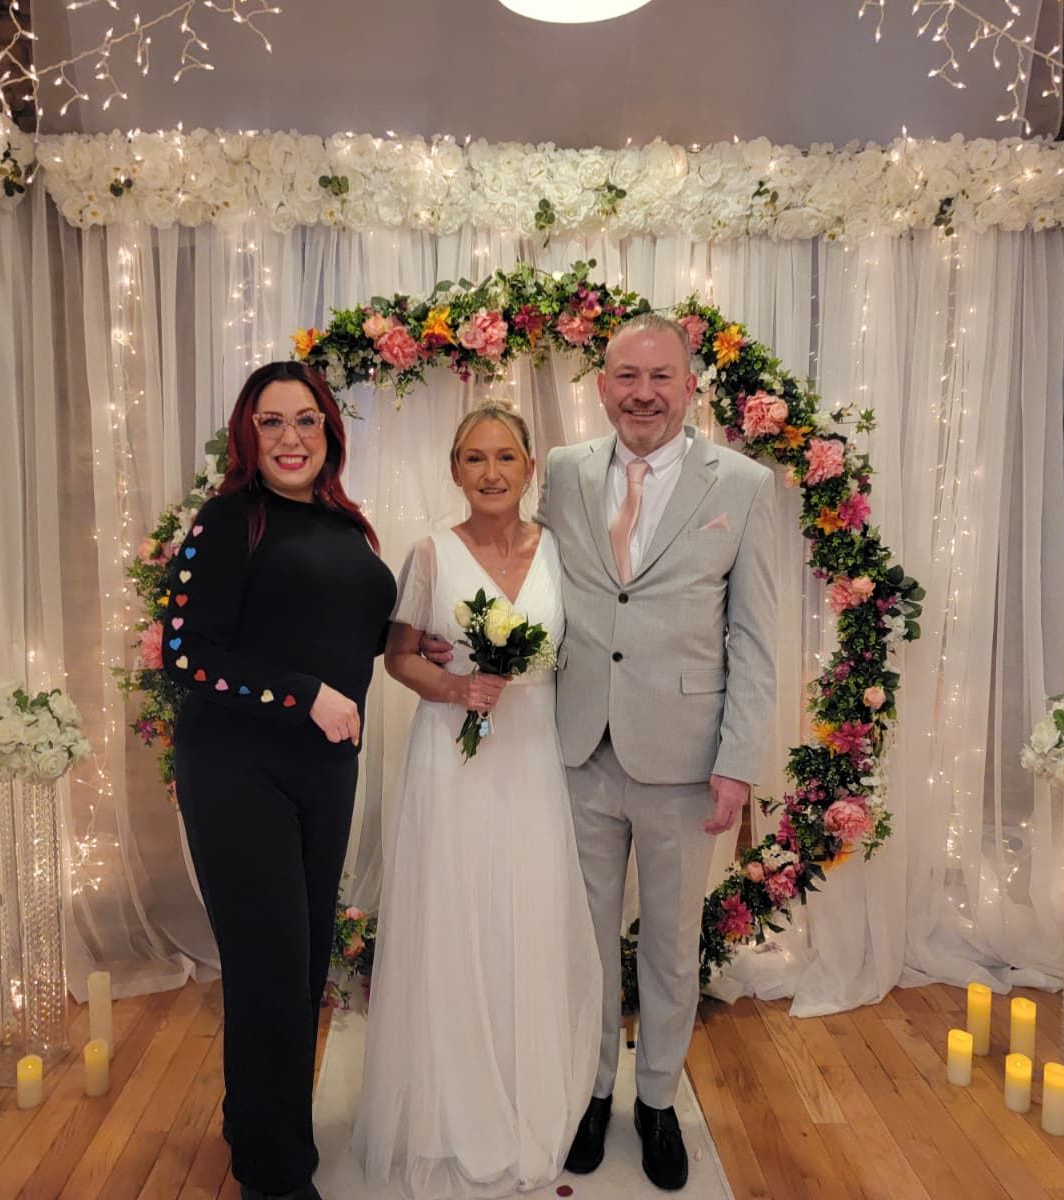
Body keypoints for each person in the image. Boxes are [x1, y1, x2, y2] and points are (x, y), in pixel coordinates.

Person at [423, 313, 777, 1191]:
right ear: (602, 385)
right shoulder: (569, 474)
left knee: (667, 941)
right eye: (626, 376)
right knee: (575, 939)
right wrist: (446, 642)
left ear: (691, 385)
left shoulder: (744, 483)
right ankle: (587, 1090)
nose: (643, 393)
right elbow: (518, 572)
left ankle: (656, 1100)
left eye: (661, 376)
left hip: (686, 759)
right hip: (572, 748)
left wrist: (737, 762)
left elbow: (757, 639)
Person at [352, 403, 599, 1198]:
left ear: (531, 469)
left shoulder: (565, 551)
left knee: (525, 910)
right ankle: (451, 1100)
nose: (491, 473)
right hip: (453, 762)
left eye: (506, 458)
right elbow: (396, 656)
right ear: (454, 469)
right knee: (456, 912)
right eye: (474, 458)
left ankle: (531, 1087)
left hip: (534, 760)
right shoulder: (429, 552)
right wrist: (456, 685)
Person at [165, 361, 397, 1200]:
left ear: (330, 430)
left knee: (300, 969)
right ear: (247, 434)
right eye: (272, 423)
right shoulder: (230, 521)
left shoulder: (345, 527)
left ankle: (257, 1121)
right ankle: (272, 1171)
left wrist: (419, 650)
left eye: (307, 420)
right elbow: (187, 655)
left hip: (325, 770)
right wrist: (305, 697)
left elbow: (333, 631)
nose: (291, 438)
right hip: (237, 767)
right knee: (268, 967)